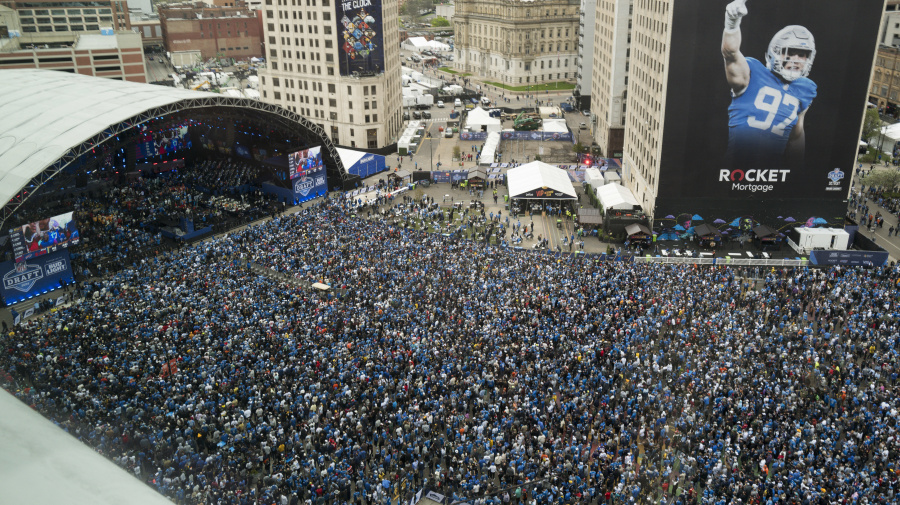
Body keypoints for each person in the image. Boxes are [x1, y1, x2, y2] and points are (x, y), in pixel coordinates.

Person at [722, 0, 817, 170]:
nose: (795, 60)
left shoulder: (806, 89)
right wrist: (731, 23)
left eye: (802, 55)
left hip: (770, 175)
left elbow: (796, 136)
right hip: (735, 171)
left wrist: (796, 173)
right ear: (774, 53)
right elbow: (730, 53)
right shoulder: (752, 73)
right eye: (790, 53)